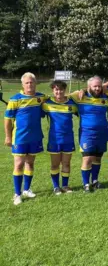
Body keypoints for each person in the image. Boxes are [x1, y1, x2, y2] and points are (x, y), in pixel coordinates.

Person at [4, 73, 46, 205]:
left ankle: (26, 189)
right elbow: (7, 120)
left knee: (30, 163)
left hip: (35, 137)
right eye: (27, 83)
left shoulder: (41, 97)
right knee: (19, 164)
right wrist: (8, 136)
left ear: (35, 83)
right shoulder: (15, 99)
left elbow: (58, 98)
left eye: (32, 82)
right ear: (22, 84)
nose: (29, 85)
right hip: (20, 138)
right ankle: (17, 194)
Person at [71, 76, 108, 192]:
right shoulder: (79, 96)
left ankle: (95, 181)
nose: (97, 88)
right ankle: (86, 184)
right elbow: (63, 97)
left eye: (99, 86)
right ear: (89, 87)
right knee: (87, 158)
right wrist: (82, 90)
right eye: (95, 86)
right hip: (87, 133)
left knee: (98, 158)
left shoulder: (105, 97)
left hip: (102, 132)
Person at [42, 80, 78, 195]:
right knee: (55, 164)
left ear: (65, 90)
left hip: (68, 138)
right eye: (56, 89)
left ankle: (65, 186)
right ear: (53, 90)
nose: (59, 92)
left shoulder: (72, 104)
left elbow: (82, 113)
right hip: (54, 139)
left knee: (66, 163)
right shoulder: (47, 104)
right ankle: (56, 187)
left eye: (61, 89)